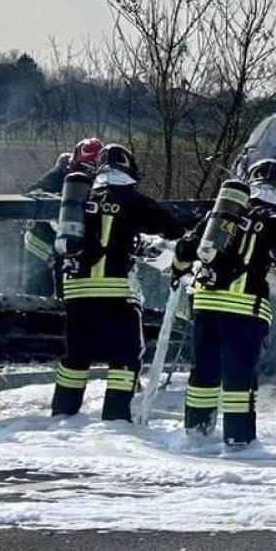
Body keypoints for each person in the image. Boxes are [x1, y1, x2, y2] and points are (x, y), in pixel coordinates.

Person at [171, 158, 276, 448]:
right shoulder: (274, 221)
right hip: (243, 311)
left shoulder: (220, 215)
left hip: (204, 307)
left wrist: (179, 271)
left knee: (203, 373)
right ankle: (238, 441)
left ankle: (195, 435)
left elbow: (185, 249)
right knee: (238, 378)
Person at [50, 143, 185, 421]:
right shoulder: (131, 199)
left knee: (75, 358)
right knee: (125, 357)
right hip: (115, 292)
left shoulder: (80, 200)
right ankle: (115, 419)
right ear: (128, 169)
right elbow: (173, 228)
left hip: (76, 293)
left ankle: (63, 416)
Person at [22, 137, 103, 297]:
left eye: (91, 170)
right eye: (83, 167)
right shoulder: (58, 175)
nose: (86, 173)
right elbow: (32, 193)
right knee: (37, 291)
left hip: (68, 242)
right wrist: (57, 204)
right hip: (40, 240)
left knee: (65, 290)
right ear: (74, 163)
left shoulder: (97, 183)